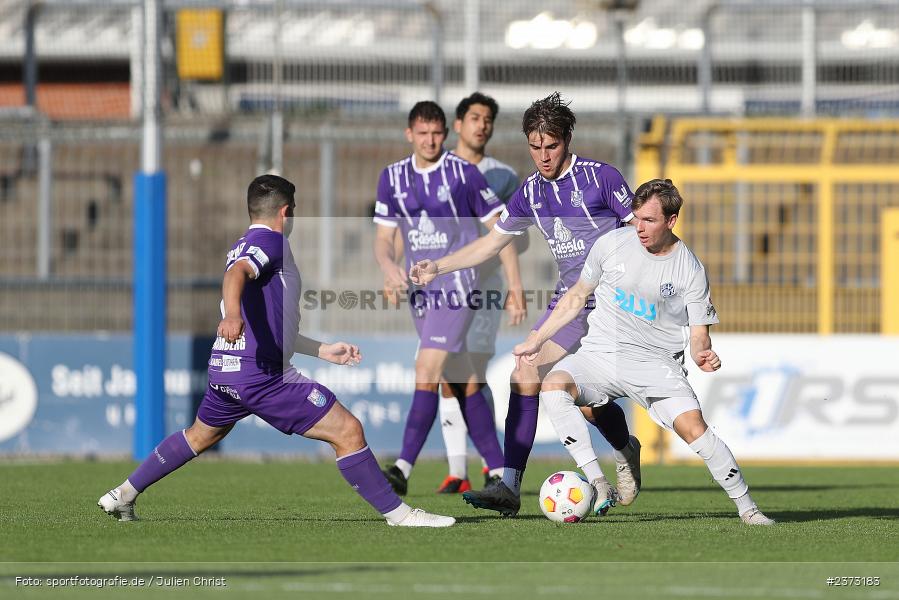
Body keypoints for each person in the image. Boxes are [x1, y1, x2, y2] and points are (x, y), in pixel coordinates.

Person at [98, 174, 454, 527]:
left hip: (227, 367)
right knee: (347, 430)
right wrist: (234, 313)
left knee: (201, 435)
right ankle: (401, 515)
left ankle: (122, 494)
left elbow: (268, 321)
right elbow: (236, 275)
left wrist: (322, 349)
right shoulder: (273, 243)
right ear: (286, 212)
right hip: (260, 375)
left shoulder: (243, 242)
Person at [410, 93, 640, 518]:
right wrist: (438, 266)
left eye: (551, 145)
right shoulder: (530, 192)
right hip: (570, 303)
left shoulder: (601, 178)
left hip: (615, 304)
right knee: (526, 369)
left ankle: (626, 449)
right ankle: (510, 485)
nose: (543, 156)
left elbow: (644, 236)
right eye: (535, 147)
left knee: (588, 403)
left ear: (567, 138)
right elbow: (492, 243)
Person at [515, 178, 776, 526]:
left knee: (694, 429)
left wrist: (703, 353)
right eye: (636, 218)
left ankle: (748, 508)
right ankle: (597, 482)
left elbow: (699, 334)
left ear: (671, 221)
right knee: (553, 386)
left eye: (649, 220)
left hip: (655, 363)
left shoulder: (689, 269)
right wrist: (538, 337)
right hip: (600, 355)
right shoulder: (611, 244)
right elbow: (577, 295)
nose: (639, 227)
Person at [374, 101, 524, 496]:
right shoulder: (392, 178)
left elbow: (501, 230)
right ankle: (499, 470)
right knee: (463, 379)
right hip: (420, 289)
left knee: (427, 367)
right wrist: (390, 270)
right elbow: (384, 239)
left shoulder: (464, 174)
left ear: (446, 133)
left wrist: (515, 286)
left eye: (436, 133)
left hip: (457, 284)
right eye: (422, 134)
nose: (430, 140)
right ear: (410, 134)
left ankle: (402, 468)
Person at [435, 92, 527, 494]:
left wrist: (515, 285)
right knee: (444, 371)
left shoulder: (503, 175)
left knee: (471, 367)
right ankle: (458, 470)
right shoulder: (434, 170)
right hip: (439, 285)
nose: (482, 125)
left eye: (488, 118)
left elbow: (512, 235)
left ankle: (493, 466)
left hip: (484, 284)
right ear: (458, 124)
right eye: (474, 117)